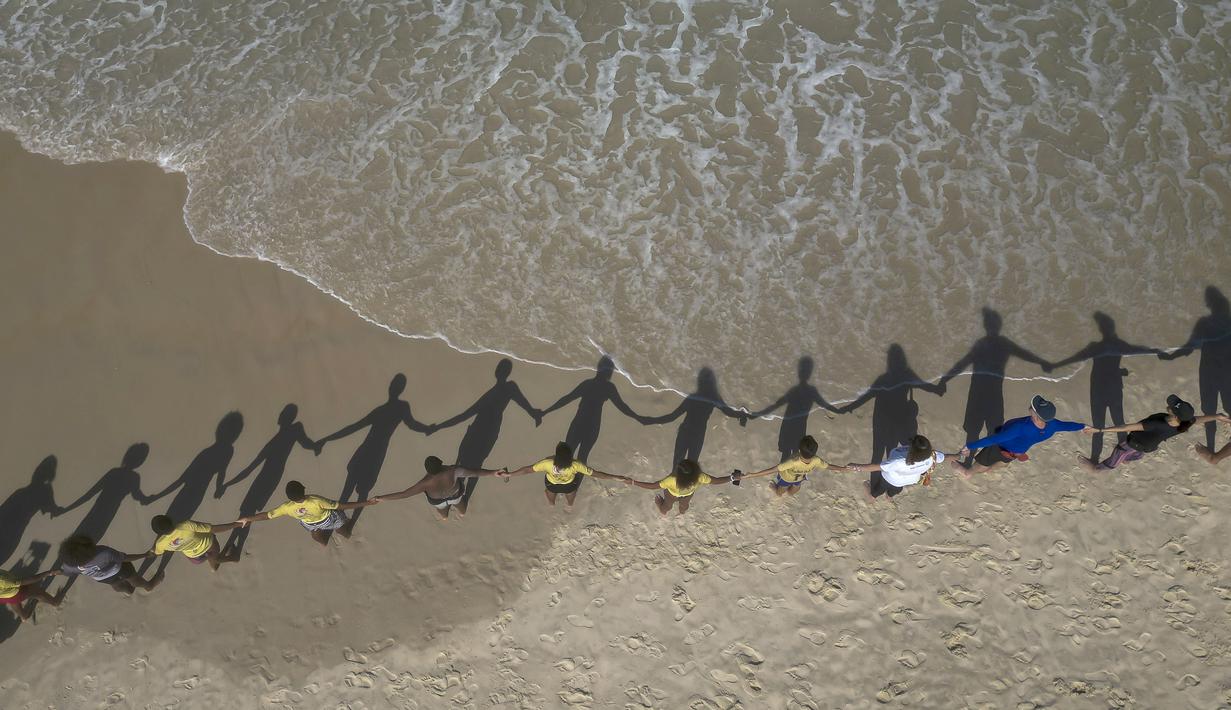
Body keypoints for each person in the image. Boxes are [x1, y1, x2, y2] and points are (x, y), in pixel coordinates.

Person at [1078, 395, 1231, 471]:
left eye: (1172, 407)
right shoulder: (1185, 423)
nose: (1169, 406)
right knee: (1137, 455)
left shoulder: (1156, 423)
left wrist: (1099, 430)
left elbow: (1125, 427)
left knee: (1114, 460)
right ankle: (1128, 460)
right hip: (1149, 448)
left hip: (1132, 444)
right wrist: (1217, 416)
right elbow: (1198, 419)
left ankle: (1095, 470)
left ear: (1174, 415)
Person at [953, 395, 1093, 476]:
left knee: (982, 462)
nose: (1031, 407)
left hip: (1001, 448)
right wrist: (1083, 426)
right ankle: (991, 470)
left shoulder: (1020, 428)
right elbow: (1068, 426)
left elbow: (994, 439)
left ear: (1036, 416)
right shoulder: (1053, 425)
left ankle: (968, 473)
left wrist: (970, 446)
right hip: (1017, 452)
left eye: (1033, 408)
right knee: (1002, 463)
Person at [237, 481, 379, 545]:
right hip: (329, 519)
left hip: (310, 524)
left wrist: (248, 519)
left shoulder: (286, 507)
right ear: (303, 490)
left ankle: (324, 542)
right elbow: (341, 506)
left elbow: (267, 515)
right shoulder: (315, 500)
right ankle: (347, 531)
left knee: (318, 537)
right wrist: (366, 502)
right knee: (344, 530)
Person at [373, 456, 506, 520]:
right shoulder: (453, 470)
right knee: (462, 508)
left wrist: (381, 498)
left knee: (442, 513)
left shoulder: (424, 483)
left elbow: (404, 494)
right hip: (455, 496)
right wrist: (493, 472)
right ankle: (461, 514)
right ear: (440, 464)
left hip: (438, 502)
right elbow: (475, 473)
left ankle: (445, 518)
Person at [500, 442, 626, 508]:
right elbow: (596, 474)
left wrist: (509, 474)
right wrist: (615, 477)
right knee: (571, 496)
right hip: (569, 486)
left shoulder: (547, 463)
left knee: (549, 496)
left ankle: (551, 505)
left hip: (552, 485)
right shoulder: (576, 465)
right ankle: (569, 507)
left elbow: (527, 470)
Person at [737, 435, 845, 497]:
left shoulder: (793, 462)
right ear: (814, 452)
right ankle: (782, 490)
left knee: (785, 493)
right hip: (793, 478)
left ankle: (777, 489)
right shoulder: (816, 460)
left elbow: (772, 470)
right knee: (787, 492)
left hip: (792, 478)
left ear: (799, 450)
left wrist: (752, 475)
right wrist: (842, 469)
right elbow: (829, 466)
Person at [845, 435, 945, 501]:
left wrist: (856, 467)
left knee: (876, 492)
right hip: (905, 482)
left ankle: (870, 493)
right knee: (896, 490)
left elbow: (874, 467)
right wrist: (959, 455)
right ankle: (889, 497)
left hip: (889, 479)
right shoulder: (933, 456)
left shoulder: (899, 462)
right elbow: (946, 457)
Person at [622, 459, 736, 516]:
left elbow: (652, 486)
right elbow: (716, 480)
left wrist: (633, 482)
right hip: (687, 494)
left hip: (672, 494)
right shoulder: (700, 477)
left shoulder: (671, 480)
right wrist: (732, 478)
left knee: (666, 507)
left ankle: (661, 508)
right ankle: (681, 513)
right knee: (684, 506)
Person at [57, 535, 163, 594]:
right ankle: (148, 586)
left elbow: (66, 572)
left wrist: (58, 572)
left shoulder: (69, 565)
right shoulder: (103, 552)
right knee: (133, 578)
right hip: (120, 569)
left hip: (102, 578)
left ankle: (129, 591)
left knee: (116, 584)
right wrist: (144, 555)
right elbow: (124, 558)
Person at [148, 515, 247, 571]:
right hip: (210, 546)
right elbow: (214, 529)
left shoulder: (161, 544)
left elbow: (156, 552)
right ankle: (233, 558)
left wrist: (154, 547)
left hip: (195, 558)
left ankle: (214, 567)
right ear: (170, 520)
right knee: (214, 558)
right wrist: (236, 524)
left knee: (213, 561)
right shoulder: (186, 525)